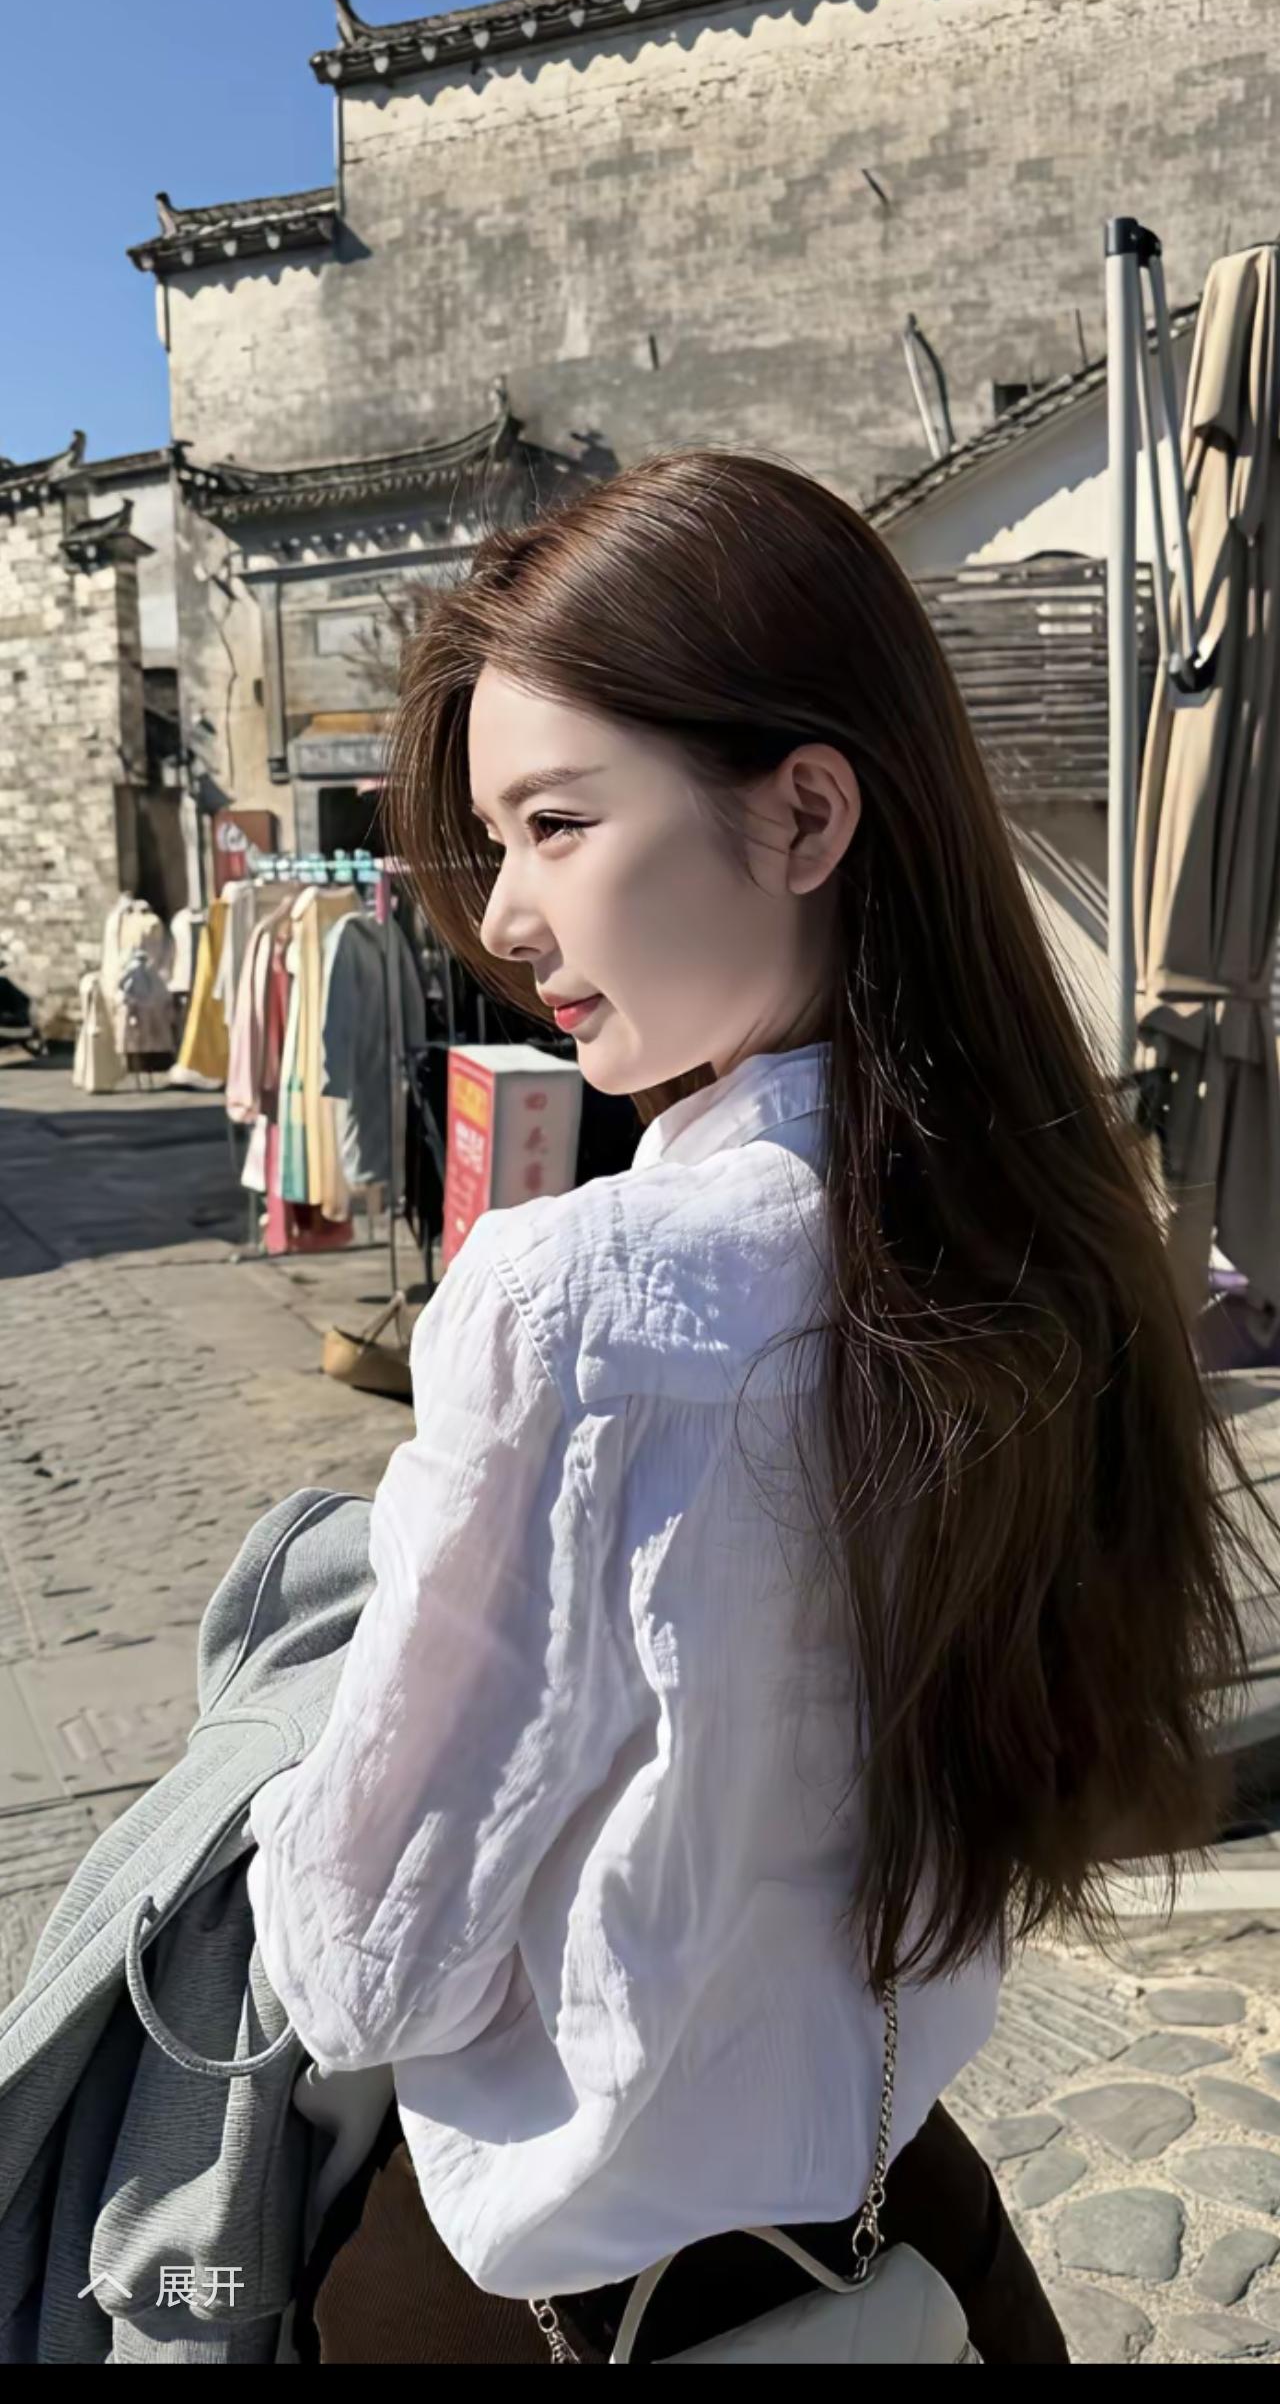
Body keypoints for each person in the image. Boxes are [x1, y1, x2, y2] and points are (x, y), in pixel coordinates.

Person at [247, 452, 1272, 2366]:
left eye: (557, 824)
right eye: (495, 842)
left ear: (805, 814)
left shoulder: (579, 1302)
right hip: (892, 2187)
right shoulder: (1050, 1246)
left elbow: (363, 1968)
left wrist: (305, 1730)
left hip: (570, 2272)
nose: (505, 917)